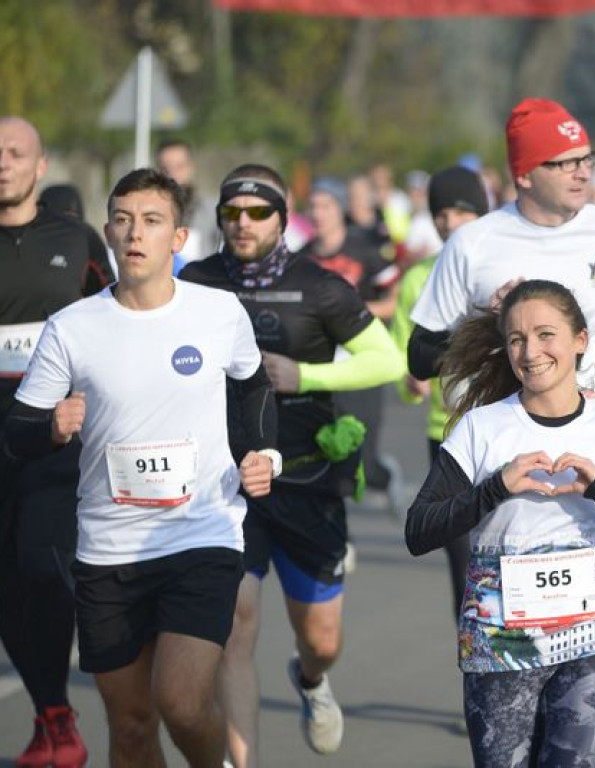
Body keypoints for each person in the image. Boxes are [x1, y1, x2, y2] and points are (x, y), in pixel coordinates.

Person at [5, 167, 280, 767]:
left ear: (178, 238)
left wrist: (266, 454)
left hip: (201, 534)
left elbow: (254, 386)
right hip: (108, 550)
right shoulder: (73, 327)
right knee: (130, 728)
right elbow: (19, 430)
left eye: (152, 221)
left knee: (181, 704)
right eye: (124, 221)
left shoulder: (217, 312)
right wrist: (51, 428)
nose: (136, 234)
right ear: (107, 231)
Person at [405, 279, 595, 767]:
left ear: (580, 340)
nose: (530, 351)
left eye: (545, 334)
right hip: (501, 641)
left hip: (589, 638)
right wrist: (494, 488)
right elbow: (419, 530)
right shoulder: (482, 427)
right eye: (516, 339)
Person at [180, 164, 403, 765]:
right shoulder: (194, 283)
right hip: (226, 481)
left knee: (321, 639)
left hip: (305, 478)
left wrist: (307, 375)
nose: (244, 223)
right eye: (233, 212)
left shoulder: (320, 285)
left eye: (258, 212)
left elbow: (386, 360)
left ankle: (311, 680)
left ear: (283, 218)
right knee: (236, 623)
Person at [407, 98, 595, 585]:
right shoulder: (474, 243)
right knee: (494, 618)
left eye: (586, 159)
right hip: (505, 453)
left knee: (591, 615)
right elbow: (420, 355)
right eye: (564, 163)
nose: (581, 173)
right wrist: (490, 321)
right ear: (526, 174)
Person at [0, 116, 113, 768]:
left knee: (44, 567)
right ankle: (53, 716)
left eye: (17, 153)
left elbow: (115, 319)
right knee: (6, 581)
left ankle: (57, 720)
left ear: (40, 167)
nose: (4, 162)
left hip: (53, 434)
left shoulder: (75, 239)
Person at [390, 164, 490, 621]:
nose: (449, 223)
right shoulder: (417, 279)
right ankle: (475, 661)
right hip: (446, 432)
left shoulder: (502, 267)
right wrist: (410, 381)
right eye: (440, 215)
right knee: (463, 561)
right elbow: (400, 353)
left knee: (508, 553)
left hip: (508, 429)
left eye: (459, 212)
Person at [298, 176, 404, 515]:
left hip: (363, 361)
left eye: (325, 205)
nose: (318, 213)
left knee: (363, 458)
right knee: (326, 450)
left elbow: (395, 300)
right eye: (313, 206)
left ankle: (384, 476)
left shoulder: (365, 251)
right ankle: (340, 541)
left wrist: (355, 314)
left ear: (340, 209)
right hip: (321, 365)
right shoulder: (301, 260)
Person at [155, 138, 219, 263]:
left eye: (179, 167)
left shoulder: (212, 212)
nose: (172, 175)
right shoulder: (147, 212)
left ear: (191, 167)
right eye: (165, 169)